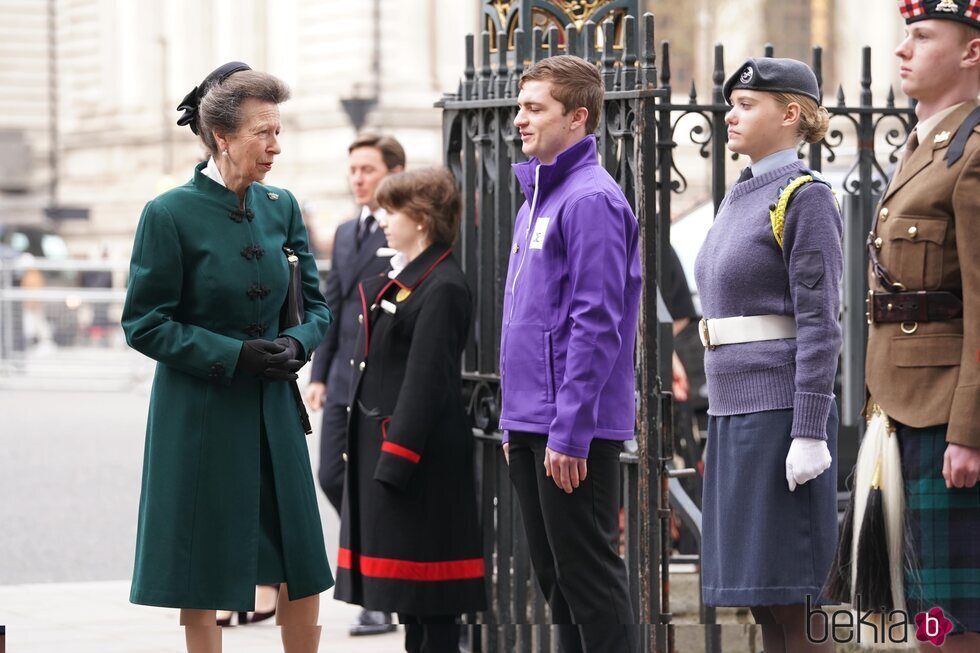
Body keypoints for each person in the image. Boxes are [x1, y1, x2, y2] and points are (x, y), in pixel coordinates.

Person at [121, 62, 332, 653]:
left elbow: (316, 306)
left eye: (278, 130)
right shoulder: (167, 214)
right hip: (202, 412)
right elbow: (144, 323)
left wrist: (297, 343)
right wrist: (234, 355)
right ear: (222, 137)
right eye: (262, 132)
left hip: (274, 408)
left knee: (298, 552)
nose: (276, 146)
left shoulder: (282, 205)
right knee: (204, 560)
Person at [693, 57, 842, 653]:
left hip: (781, 414)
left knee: (794, 600)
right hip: (734, 410)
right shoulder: (741, 195)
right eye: (730, 103)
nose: (730, 114)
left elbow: (820, 323)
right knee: (762, 600)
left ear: (790, 114)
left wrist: (809, 428)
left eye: (746, 104)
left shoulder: (803, 197)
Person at [499, 55, 641, 653]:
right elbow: (526, 319)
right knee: (557, 583)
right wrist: (515, 418)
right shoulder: (537, 195)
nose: (519, 121)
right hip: (532, 421)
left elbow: (597, 320)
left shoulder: (590, 200)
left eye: (535, 109)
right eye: (520, 107)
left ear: (577, 118)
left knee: (589, 581)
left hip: (570, 428)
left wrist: (570, 428)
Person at [863, 3, 980, 649]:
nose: (904, 49)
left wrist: (970, 429)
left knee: (955, 622)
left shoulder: (973, 153)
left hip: (947, 421)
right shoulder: (926, 148)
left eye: (923, 36)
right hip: (902, 409)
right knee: (923, 617)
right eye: (904, 35)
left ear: (971, 53)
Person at [334, 167, 486, 653]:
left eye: (391, 210)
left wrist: (395, 460)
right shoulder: (412, 278)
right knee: (413, 608)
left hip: (419, 465)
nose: (381, 219)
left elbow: (425, 383)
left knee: (433, 608)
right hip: (404, 462)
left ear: (420, 219)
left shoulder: (442, 285)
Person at [305, 132, 404, 636]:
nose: (358, 178)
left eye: (368, 169)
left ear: (392, 173)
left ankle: (379, 594)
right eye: (353, 170)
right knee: (331, 475)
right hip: (343, 376)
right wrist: (318, 374)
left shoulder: (405, 228)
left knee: (375, 484)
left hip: (383, 380)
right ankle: (376, 559)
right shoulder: (345, 233)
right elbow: (332, 304)